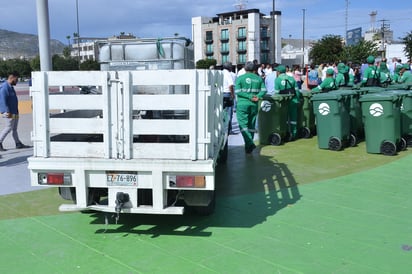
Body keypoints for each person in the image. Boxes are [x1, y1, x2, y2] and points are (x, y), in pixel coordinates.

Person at [235, 61, 267, 154]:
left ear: (245, 69)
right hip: (254, 104)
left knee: (243, 125)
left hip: (242, 104)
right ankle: (248, 147)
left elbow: (238, 91)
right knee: (251, 125)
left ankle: (249, 143)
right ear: (254, 69)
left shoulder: (240, 78)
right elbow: (264, 90)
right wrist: (258, 96)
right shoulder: (259, 79)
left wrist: (249, 97)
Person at [0, 71, 30, 151]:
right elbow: (2, 100)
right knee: (8, 127)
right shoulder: (4, 87)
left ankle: (18, 143)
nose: (17, 81)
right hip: (8, 112)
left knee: (14, 129)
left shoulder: (10, 87)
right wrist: (6, 111)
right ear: (12, 77)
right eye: (16, 79)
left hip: (14, 111)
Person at [274, 65, 301, 140]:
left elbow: (276, 93)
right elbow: (297, 91)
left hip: (283, 102)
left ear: (278, 72)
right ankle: (294, 134)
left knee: (283, 119)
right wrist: (298, 99)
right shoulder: (291, 78)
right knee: (293, 119)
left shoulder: (277, 80)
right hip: (293, 100)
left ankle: (285, 133)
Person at [222, 62, 235, 134]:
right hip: (227, 94)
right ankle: (229, 130)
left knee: (222, 112)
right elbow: (230, 85)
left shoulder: (220, 73)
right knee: (229, 113)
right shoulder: (228, 74)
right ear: (229, 67)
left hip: (221, 94)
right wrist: (232, 94)